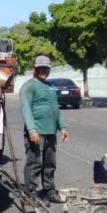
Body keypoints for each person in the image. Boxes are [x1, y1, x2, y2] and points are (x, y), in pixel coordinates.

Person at [19, 55, 69, 203]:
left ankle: (49, 191)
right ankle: (30, 193)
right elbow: (26, 109)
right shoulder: (29, 86)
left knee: (50, 164)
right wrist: (32, 130)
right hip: (36, 133)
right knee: (35, 163)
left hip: (50, 133)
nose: (44, 71)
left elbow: (56, 109)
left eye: (46, 69)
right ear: (34, 69)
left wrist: (63, 127)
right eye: (40, 68)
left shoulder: (49, 87)